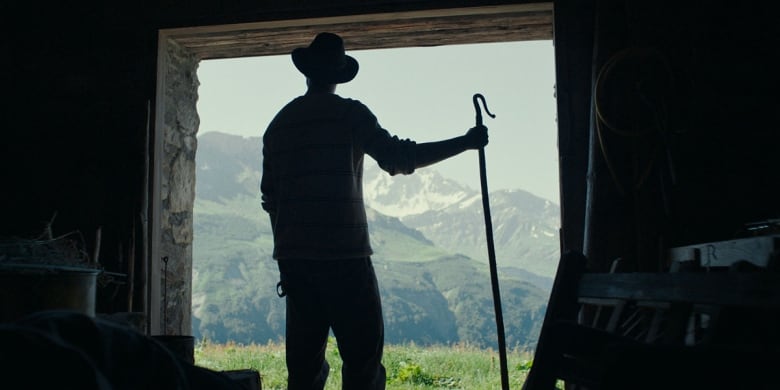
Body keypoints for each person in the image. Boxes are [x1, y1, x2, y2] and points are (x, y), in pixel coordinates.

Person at [260, 32, 488, 390]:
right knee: (363, 364)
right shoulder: (350, 115)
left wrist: (288, 255)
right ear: (338, 76)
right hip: (345, 258)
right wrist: (465, 142)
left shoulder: (279, 125)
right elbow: (400, 158)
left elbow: (270, 200)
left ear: (307, 73)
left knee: (303, 369)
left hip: (297, 262)